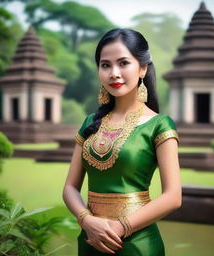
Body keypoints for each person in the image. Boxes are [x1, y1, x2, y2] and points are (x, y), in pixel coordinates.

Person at [62, 28, 182, 256]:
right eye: (105, 65)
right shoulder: (90, 122)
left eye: (123, 63)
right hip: (90, 241)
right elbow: (69, 187)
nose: (113, 73)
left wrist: (118, 228)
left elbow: (173, 197)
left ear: (143, 68)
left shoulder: (159, 125)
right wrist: (87, 221)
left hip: (137, 243)